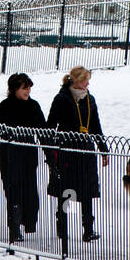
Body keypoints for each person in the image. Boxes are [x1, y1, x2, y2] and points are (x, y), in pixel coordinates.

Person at [46, 66, 109, 243]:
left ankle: (88, 229)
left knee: (87, 191)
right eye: (84, 80)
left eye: (88, 80)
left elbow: (95, 126)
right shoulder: (62, 99)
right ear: (75, 81)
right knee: (66, 190)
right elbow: (51, 125)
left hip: (86, 151)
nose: (87, 84)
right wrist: (52, 150)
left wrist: (103, 149)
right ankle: (63, 226)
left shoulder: (90, 100)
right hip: (67, 151)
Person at [0, 72, 46, 244]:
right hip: (9, 156)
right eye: (24, 88)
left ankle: (28, 223)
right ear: (14, 89)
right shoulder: (4, 107)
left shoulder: (34, 107)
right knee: (13, 193)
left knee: (30, 194)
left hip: (28, 157)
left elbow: (43, 133)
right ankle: (14, 228)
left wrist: (51, 157)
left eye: (29, 88)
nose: (28, 91)